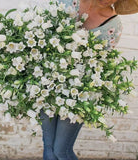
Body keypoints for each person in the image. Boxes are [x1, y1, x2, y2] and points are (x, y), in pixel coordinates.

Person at [40, 0, 138, 160]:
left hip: (79, 94)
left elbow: (100, 67)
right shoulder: (68, 2)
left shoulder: (113, 25)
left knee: (61, 151)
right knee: (49, 149)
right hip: (48, 85)